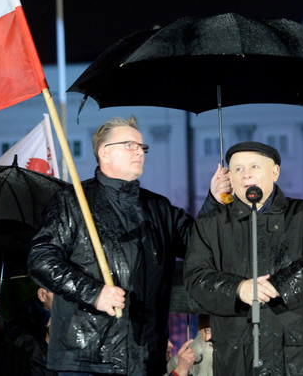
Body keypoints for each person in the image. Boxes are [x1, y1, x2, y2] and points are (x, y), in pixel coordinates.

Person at [27, 115, 198, 375]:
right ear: (104, 153)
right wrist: (93, 293)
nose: (139, 151)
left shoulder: (159, 208)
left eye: (142, 147)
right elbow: (40, 258)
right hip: (88, 358)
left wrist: (216, 205)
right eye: (130, 145)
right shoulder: (73, 202)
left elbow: (199, 246)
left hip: (145, 357)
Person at [184, 141, 303, 375]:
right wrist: (238, 289)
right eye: (238, 169)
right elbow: (196, 276)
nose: (246, 174)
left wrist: (277, 286)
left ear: (275, 172)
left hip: (298, 360)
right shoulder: (209, 225)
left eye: (254, 166)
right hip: (238, 358)